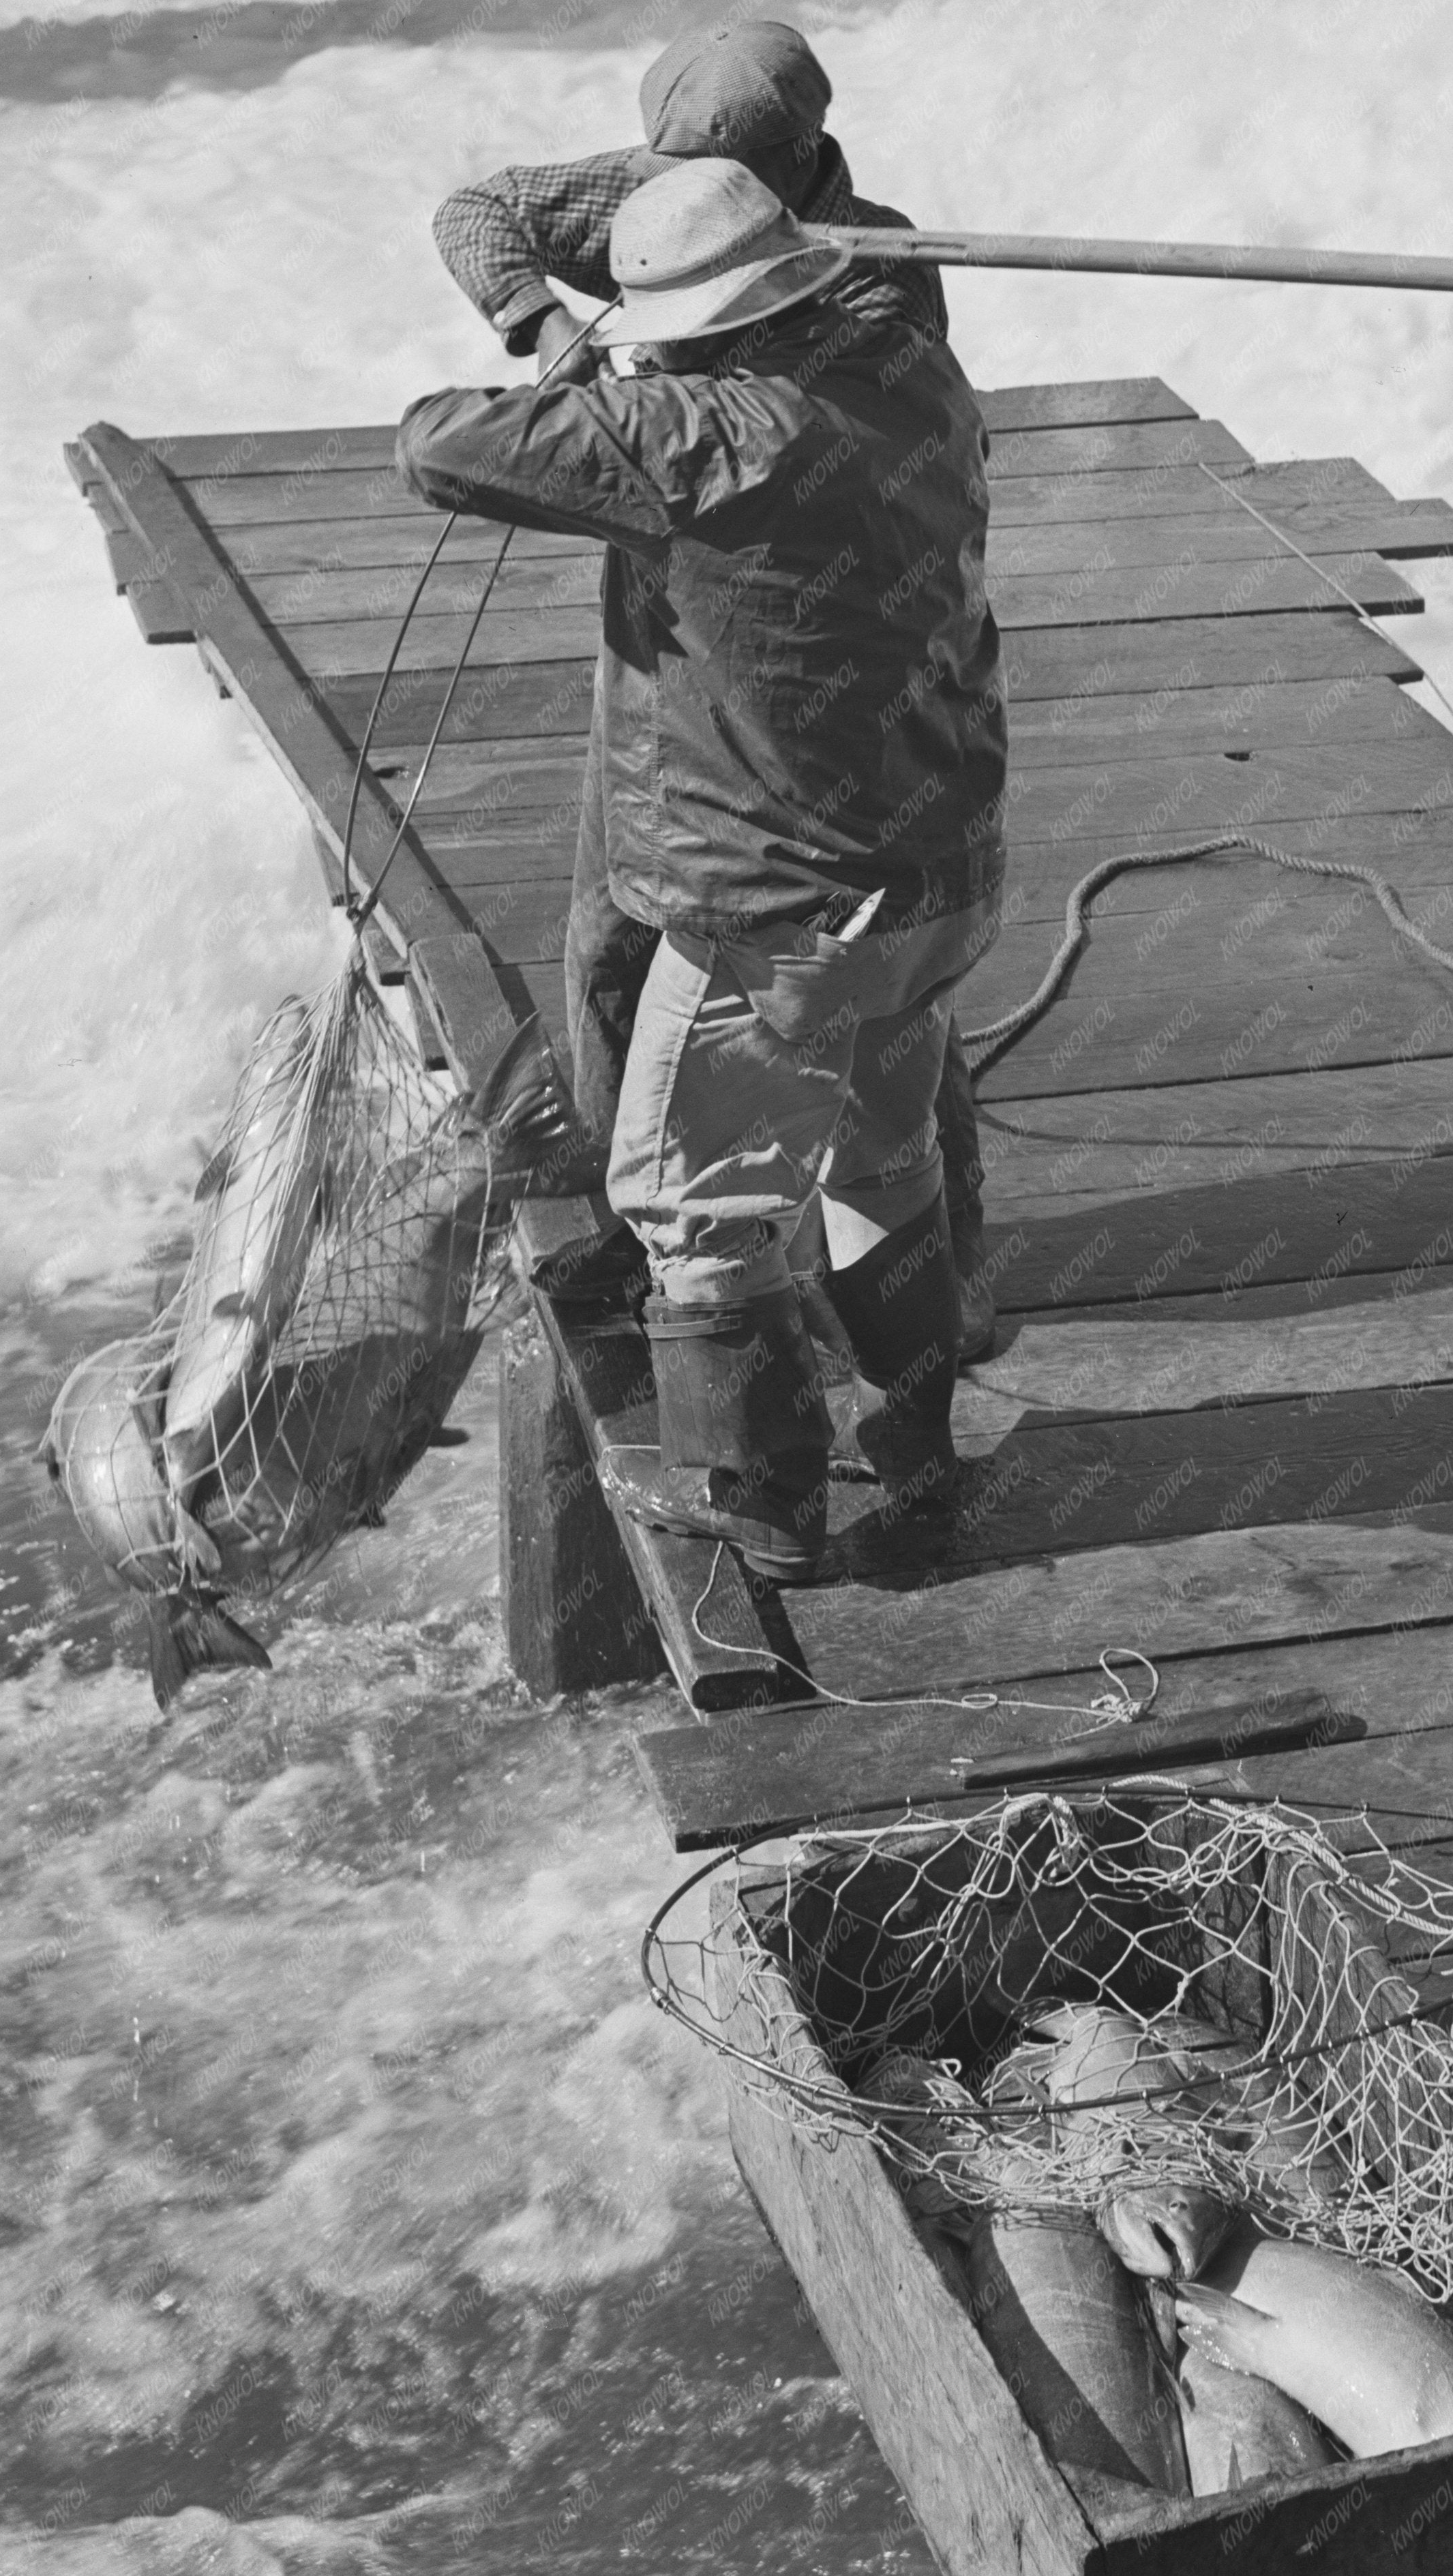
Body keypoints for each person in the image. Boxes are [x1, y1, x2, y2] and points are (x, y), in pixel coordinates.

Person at [395, 158, 1007, 1583]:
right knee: (881, 1161)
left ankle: (766, 1511)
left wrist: (568, 348)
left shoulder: (701, 438)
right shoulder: (916, 381)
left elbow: (437, 444)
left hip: (785, 916)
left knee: (691, 1203)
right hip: (938, 877)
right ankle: (915, 1444)